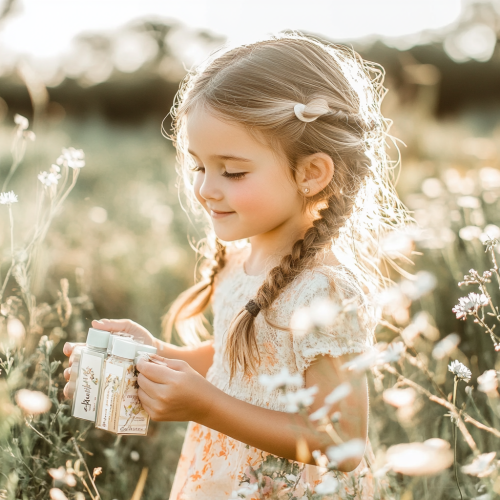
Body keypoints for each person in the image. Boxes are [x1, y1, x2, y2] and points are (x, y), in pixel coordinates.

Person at [64, 33, 408, 499]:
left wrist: (205, 406)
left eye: (233, 171)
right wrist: (158, 359)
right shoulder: (244, 259)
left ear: (311, 173)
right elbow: (239, 358)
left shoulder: (323, 290)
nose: (206, 188)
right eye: (198, 166)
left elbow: (342, 444)